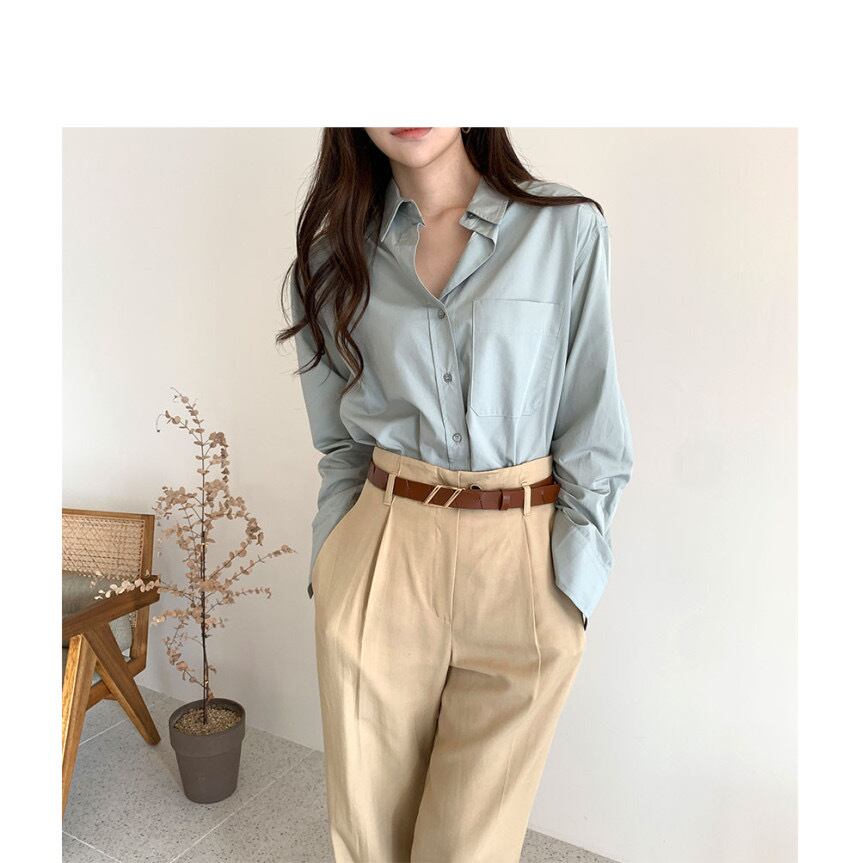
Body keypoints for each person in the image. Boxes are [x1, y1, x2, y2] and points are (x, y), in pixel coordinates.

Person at [278, 127, 633, 863]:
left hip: (523, 562)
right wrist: (334, 567)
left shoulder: (565, 230)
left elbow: (592, 424)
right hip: (384, 550)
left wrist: (573, 587)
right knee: (371, 836)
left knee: (471, 845)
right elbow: (339, 446)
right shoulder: (328, 260)